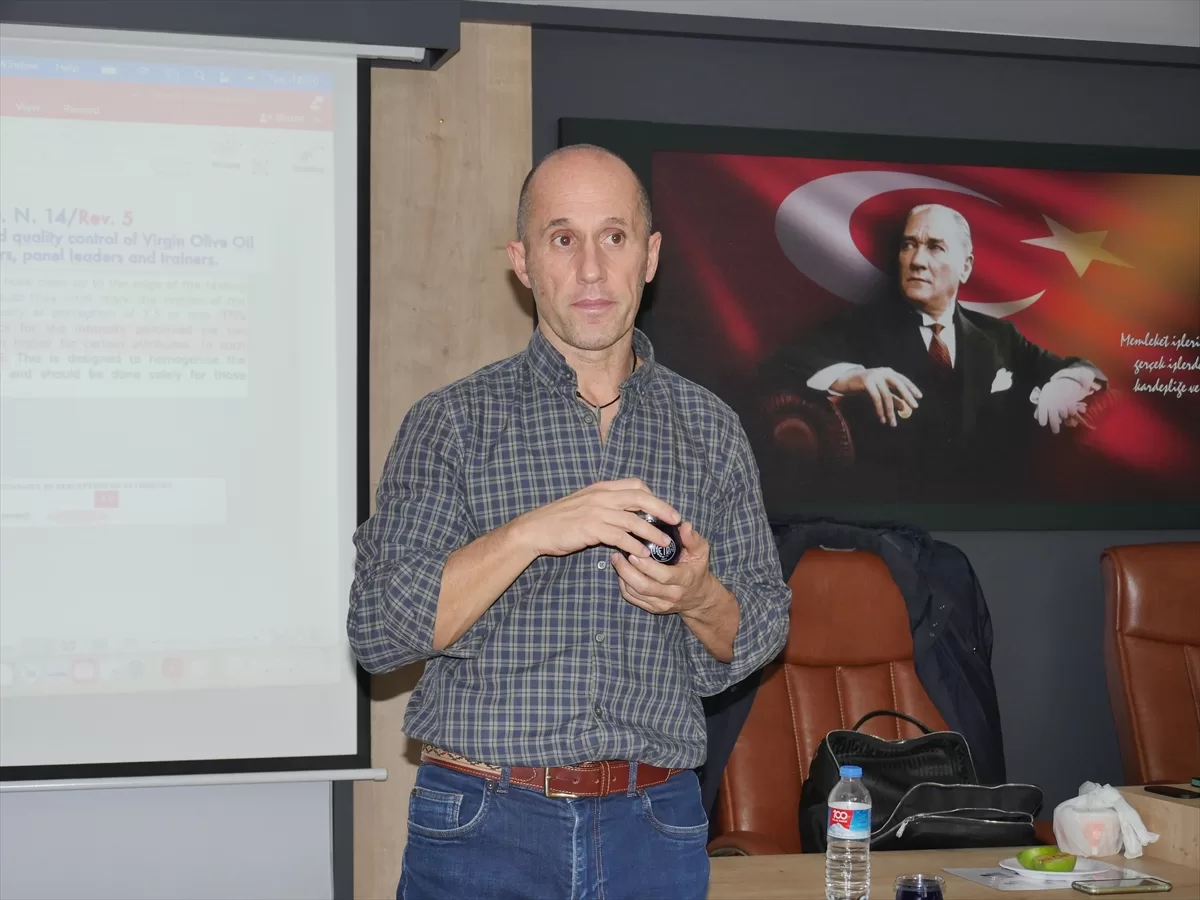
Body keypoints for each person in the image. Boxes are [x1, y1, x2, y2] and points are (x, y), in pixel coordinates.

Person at [348, 143, 792, 900]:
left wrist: (697, 596)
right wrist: (529, 534)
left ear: (650, 257)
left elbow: (761, 627)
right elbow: (379, 631)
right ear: (522, 262)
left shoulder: (710, 429)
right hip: (483, 823)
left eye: (614, 237)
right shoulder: (451, 423)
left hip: (654, 825)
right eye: (563, 239)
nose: (591, 269)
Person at [761, 203, 1107, 493]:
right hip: (894, 508)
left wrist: (1065, 384)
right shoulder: (862, 326)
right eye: (908, 245)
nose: (916, 260)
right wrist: (853, 377)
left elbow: (1084, 368)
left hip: (986, 509)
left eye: (935, 247)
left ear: (965, 267)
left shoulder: (998, 336)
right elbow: (781, 363)